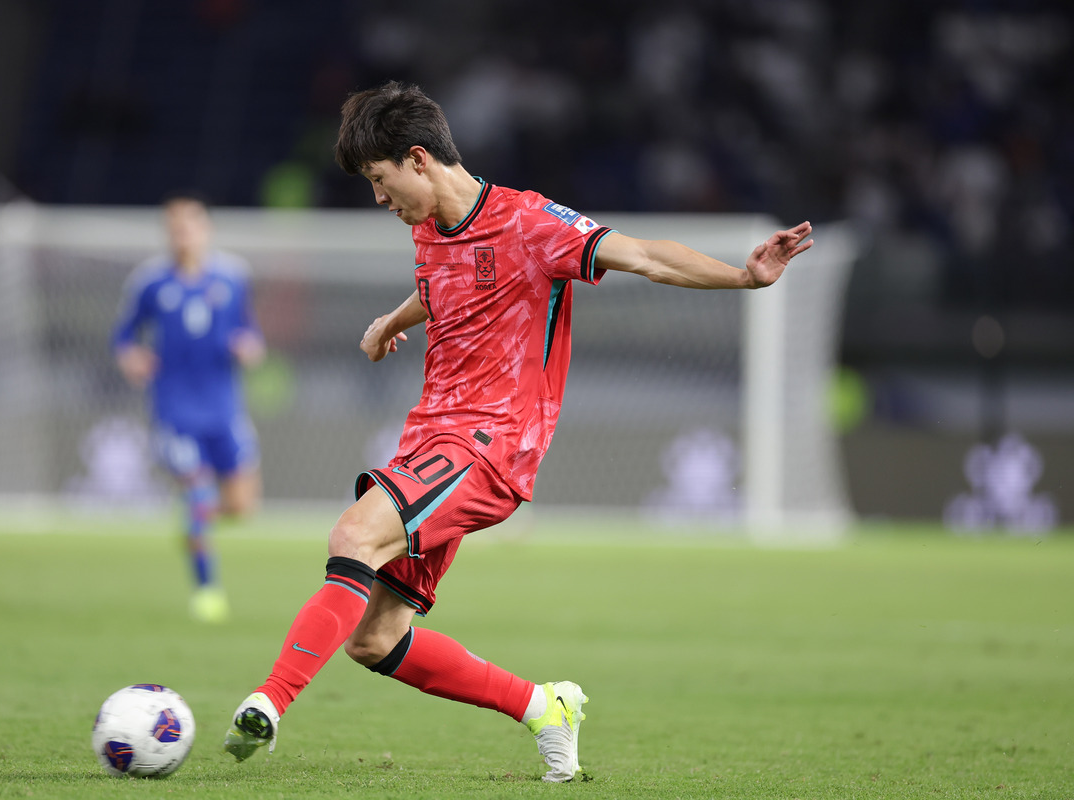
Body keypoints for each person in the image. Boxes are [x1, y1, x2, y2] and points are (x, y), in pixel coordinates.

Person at [222, 81, 813, 781]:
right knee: (375, 638)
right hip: (430, 440)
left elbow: (644, 256)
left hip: (490, 444)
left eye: (380, 180)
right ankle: (543, 706)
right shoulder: (426, 227)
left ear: (418, 160)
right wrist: (391, 322)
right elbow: (446, 285)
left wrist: (744, 278)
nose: (379, 198)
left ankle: (269, 702)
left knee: (354, 537)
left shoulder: (531, 224)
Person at [112, 192, 266, 623]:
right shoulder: (151, 283)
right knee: (198, 493)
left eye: (190, 226)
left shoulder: (232, 278)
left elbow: (249, 331)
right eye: (175, 229)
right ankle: (206, 591)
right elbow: (123, 336)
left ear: (206, 230)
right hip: (176, 412)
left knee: (242, 507)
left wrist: (249, 347)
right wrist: (132, 357)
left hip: (224, 410)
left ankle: (195, 525)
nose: (183, 236)